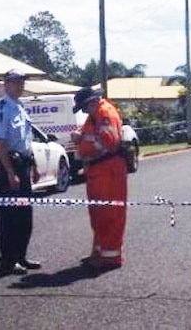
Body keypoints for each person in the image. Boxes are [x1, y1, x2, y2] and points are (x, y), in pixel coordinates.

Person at [0, 69, 42, 276]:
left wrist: (34, 166)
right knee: (9, 216)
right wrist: (10, 172)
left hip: (23, 165)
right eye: (16, 82)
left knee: (24, 216)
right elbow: (0, 143)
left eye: (21, 82)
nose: (20, 86)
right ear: (6, 84)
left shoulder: (20, 106)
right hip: (8, 166)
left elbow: (25, 141)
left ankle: (21, 256)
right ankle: (8, 262)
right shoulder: (1, 109)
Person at [70, 86, 128, 270]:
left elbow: (108, 141)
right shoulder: (94, 115)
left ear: (91, 102)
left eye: (83, 107)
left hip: (108, 170)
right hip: (97, 170)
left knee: (109, 214)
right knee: (97, 214)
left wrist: (83, 141)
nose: (83, 111)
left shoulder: (104, 113)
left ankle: (110, 257)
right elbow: (91, 134)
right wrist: (82, 137)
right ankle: (99, 252)